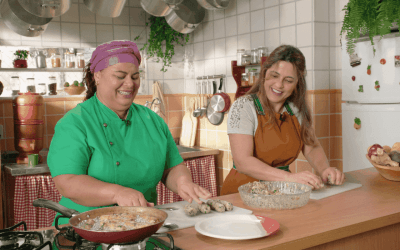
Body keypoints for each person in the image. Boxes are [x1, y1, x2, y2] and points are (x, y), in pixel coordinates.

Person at [48, 40, 211, 224]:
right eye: (120, 76)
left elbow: (172, 167)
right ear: (97, 76)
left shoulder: (152, 120)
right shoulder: (75, 122)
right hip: (85, 229)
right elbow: (67, 182)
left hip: (142, 224)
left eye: (135, 77)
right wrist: (117, 193)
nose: (130, 84)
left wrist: (182, 182)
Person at [221, 45, 345, 195]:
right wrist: (289, 177)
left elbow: (311, 146)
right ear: (264, 73)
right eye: (274, 76)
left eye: (288, 80)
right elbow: (243, 162)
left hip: (281, 192)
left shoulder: (295, 110)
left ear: (297, 83)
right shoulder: (243, 107)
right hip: (242, 194)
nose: (279, 85)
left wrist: (325, 169)